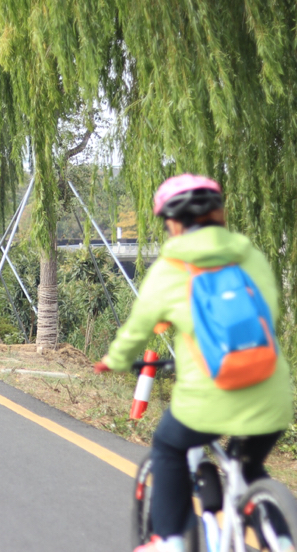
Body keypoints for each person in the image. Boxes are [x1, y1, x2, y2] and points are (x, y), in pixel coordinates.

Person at [94, 174, 293, 552]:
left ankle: (168, 539)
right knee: (249, 468)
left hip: (209, 398)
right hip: (271, 394)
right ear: (219, 213)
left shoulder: (170, 268)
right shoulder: (250, 256)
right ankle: (279, 535)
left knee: (167, 445)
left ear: (172, 222)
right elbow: (270, 314)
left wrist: (113, 360)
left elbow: (137, 329)